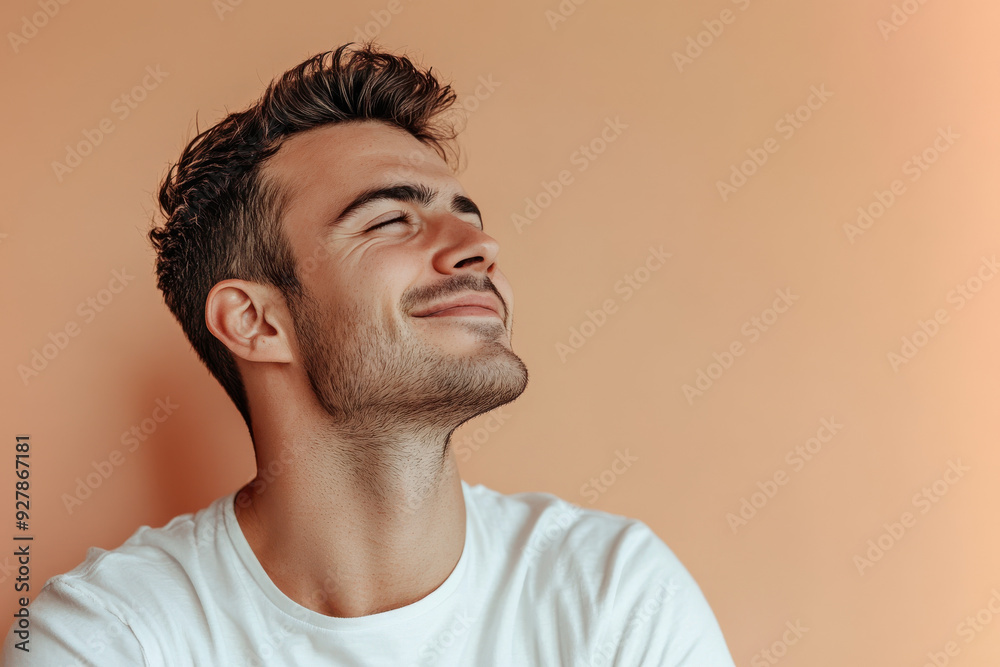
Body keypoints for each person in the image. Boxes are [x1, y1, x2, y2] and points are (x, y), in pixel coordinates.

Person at [3, 43, 737, 666]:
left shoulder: (613, 592)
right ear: (257, 320)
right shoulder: (109, 636)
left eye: (467, 217)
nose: (480, 247)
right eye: (392, 219)